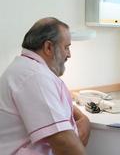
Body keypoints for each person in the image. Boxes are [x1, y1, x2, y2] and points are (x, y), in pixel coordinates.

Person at [0, 17, 90, 155]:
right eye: (66, 47)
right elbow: (63, 143)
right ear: (48, 47)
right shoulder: (34, 76)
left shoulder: (27, 69)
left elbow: (53, 107)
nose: (69, 54)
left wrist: (83, 118)